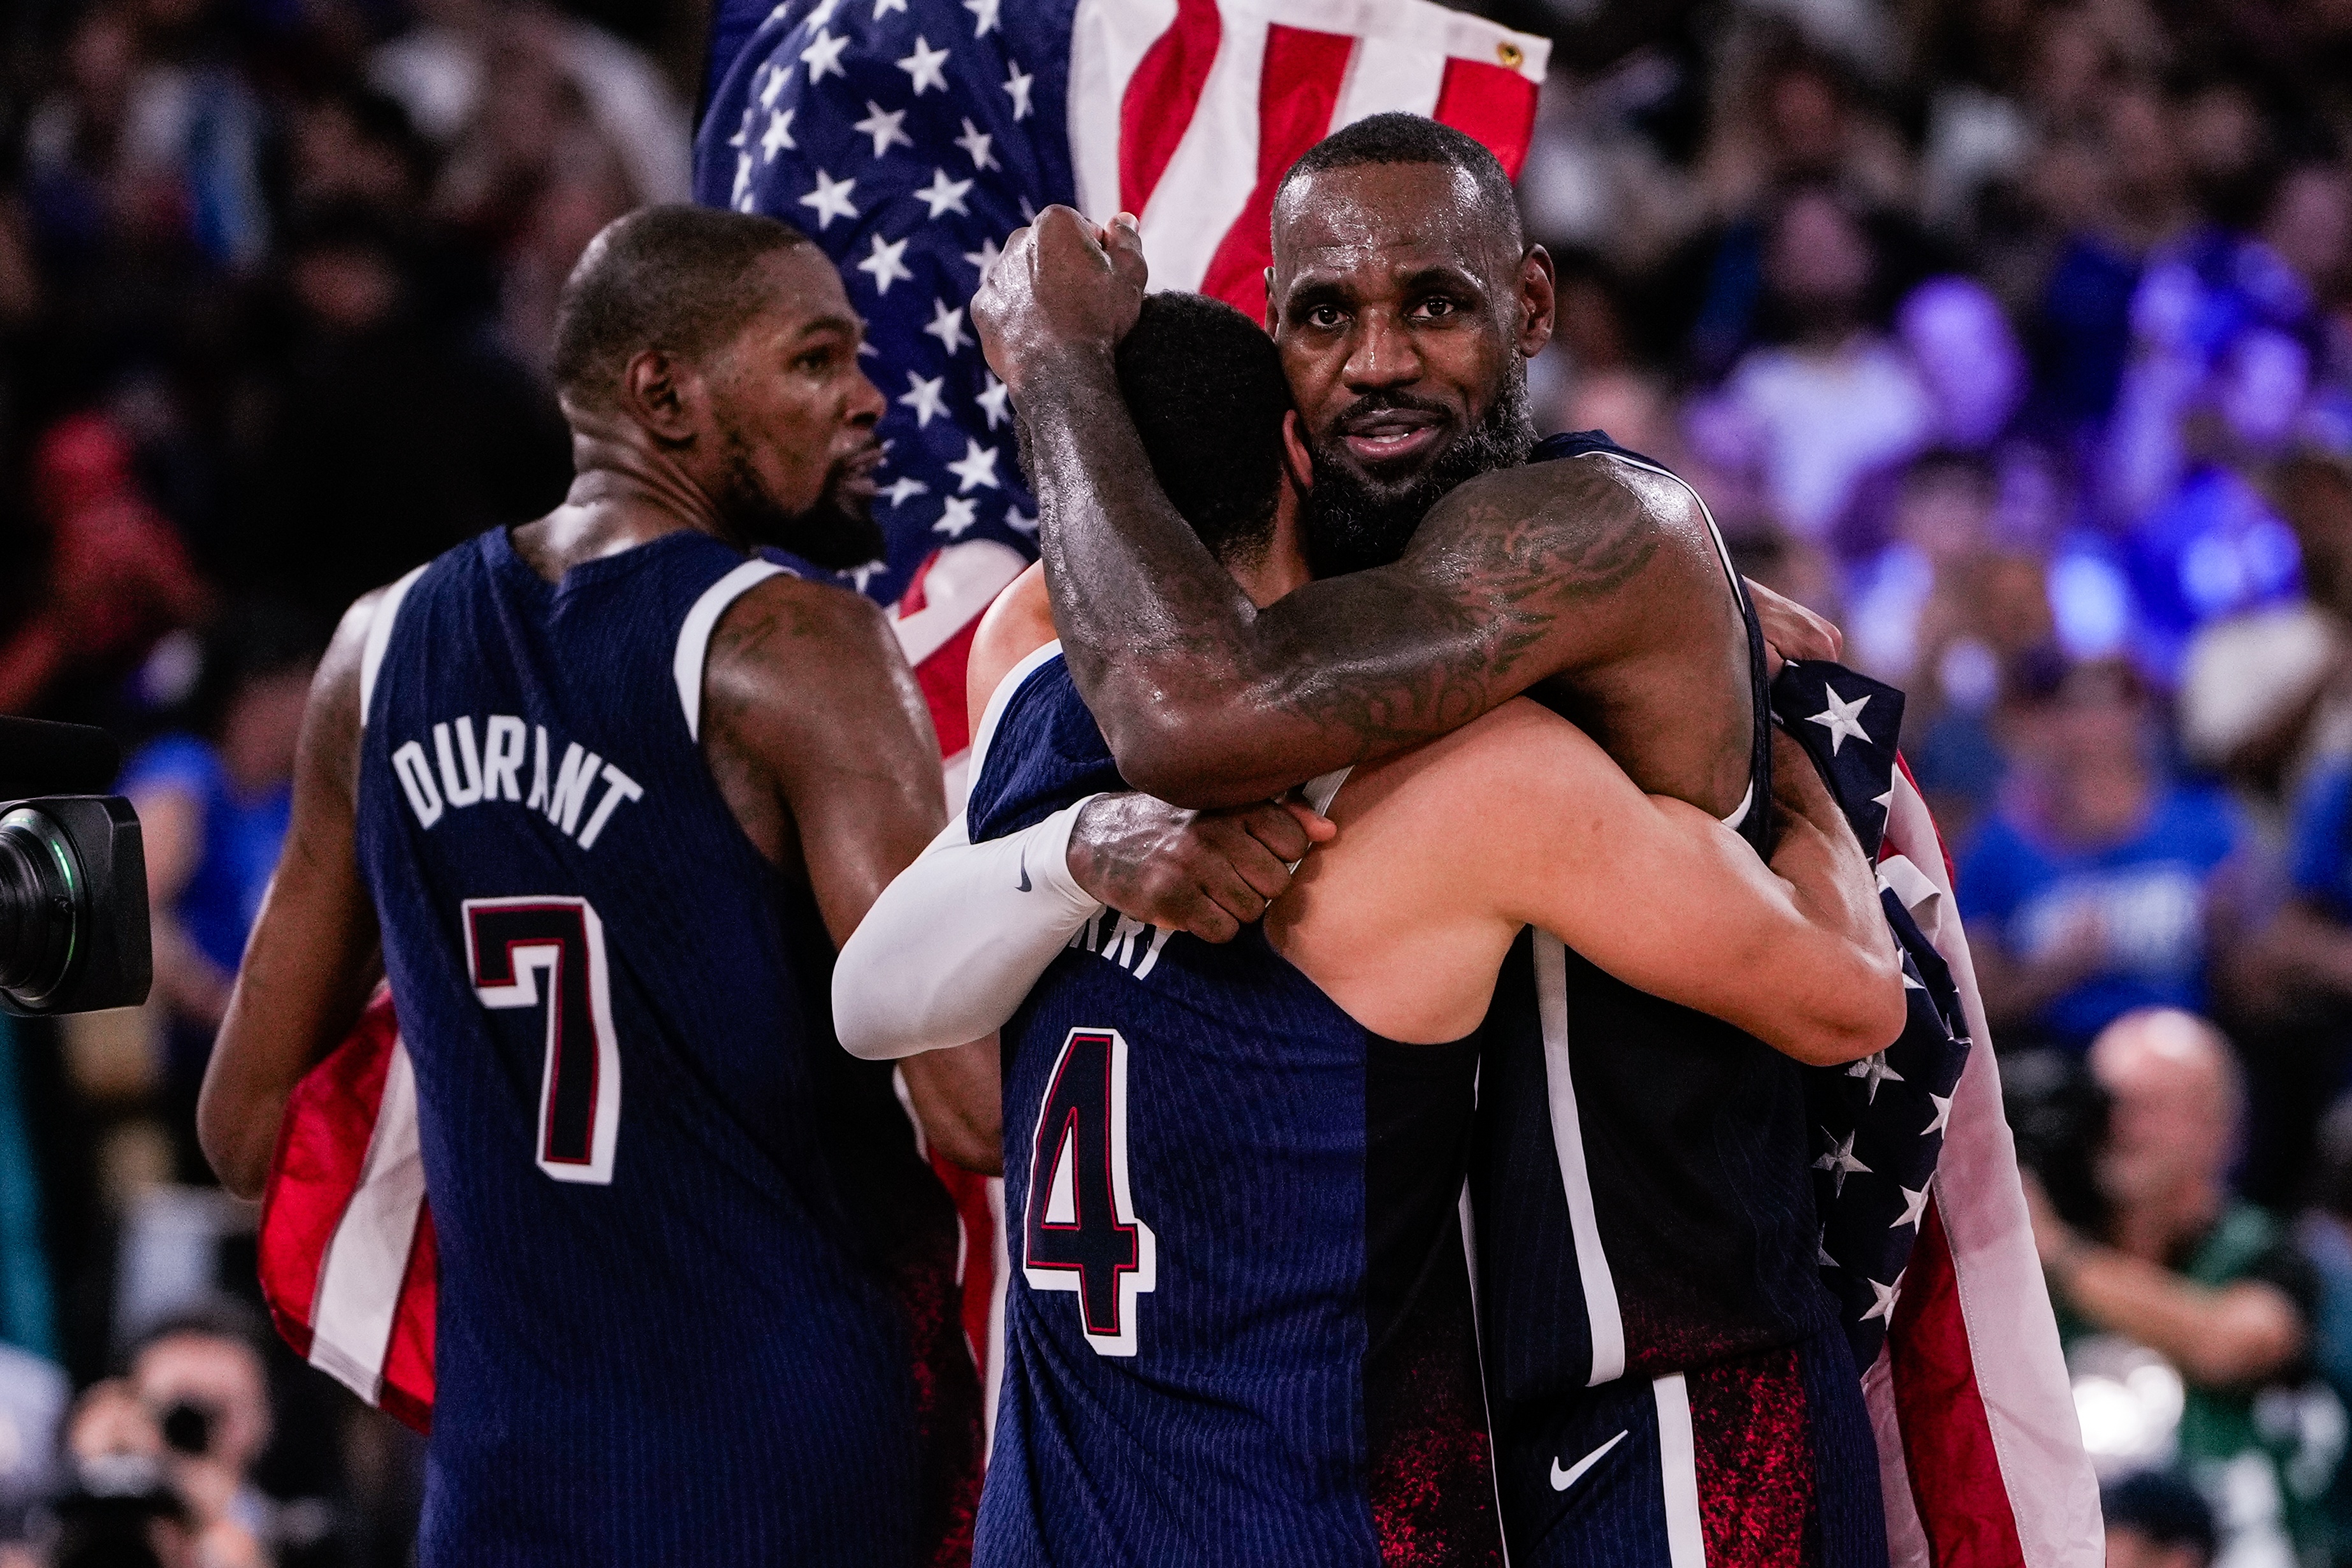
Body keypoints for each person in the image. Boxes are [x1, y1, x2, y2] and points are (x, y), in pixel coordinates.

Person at [839, 291, 1905, 1562]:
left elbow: (868, 1002)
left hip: (1046, 1532)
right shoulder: (1467, 776)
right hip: (1306, 1523)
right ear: (1300, 454)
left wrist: (1070, 853)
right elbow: (1851, 999)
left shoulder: (1022, 672)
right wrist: (1739, 701)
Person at [195, 205, 991, 1565]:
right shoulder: (796, 646)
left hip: (506, 1481)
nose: (867, 400)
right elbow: (971, 1105)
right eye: (815, 360)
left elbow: (242, 1127)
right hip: (783, 1463)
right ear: (663, 395)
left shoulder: (377, 649)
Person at [2024, 1009, 2328, 1564]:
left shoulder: (2266, 1252)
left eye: (2153, 1107)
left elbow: (2233, 1345)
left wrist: (2058, 1255)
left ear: (2224, 1134)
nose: (2122, 1126)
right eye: (2108, 1103)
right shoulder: (2027, 1259)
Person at [119, 605, 321, 1182]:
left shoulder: (296, 798)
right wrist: (222, 1006)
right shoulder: (187, 775)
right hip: (193, 1070)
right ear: (259, 696)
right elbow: (128, 913)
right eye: (308, 688)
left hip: (276, 1066)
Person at [1958, 657, 2247, 1052]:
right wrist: (2057, 972)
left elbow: (2256, 980)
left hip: (2184, 1043)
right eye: (2075, 707)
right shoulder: (2000, 846)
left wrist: (2226, 932)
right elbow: (1972, 1007)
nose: (2094, 726)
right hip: (2051, 1056)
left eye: (2112, 704)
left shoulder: (2205, 824)